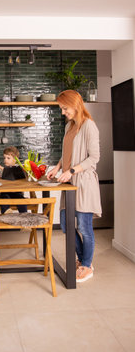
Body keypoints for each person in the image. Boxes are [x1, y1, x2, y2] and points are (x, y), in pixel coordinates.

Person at [47, 90, 102, 283]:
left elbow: (94, 158)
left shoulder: (89, 126)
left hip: (84, 183)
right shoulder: (69, 126)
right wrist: (58, 167)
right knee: (65, 224)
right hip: (69, 182)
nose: (63, 112)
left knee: (85, 227)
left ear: (75, 104)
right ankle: (84, 260)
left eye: (64, 108)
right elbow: (67, 153)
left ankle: (86, 264)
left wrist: (71, 171)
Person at [0, 146, 27, 214]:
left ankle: (24, 214)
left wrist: (1, 168)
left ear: (15, 160)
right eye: (4, 158)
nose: (5, 160)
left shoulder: (18, 169)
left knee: (21, 199)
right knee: (5, 197)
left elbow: (13, 173)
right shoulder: (3, 170)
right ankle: (6, 213)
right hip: (5, 192)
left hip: (16, 193)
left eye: (8, 158)